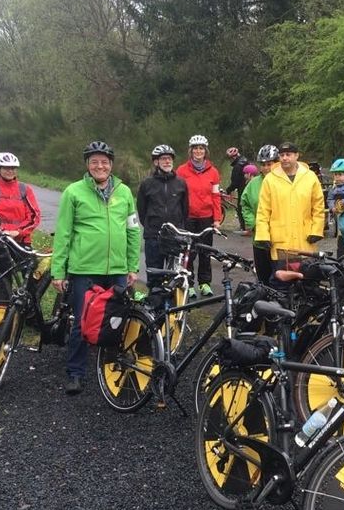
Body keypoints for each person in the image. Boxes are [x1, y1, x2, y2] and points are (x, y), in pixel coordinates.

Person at [51, 141, 140, 395]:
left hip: (118, 269)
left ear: (111, 165)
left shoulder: (124, 193)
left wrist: (132, 265)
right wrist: (59, 270)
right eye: (94, 162)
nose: (99, 166)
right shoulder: (74, 192)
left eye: (104, 162)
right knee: (82, 320)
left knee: (116, 320)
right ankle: (75, 373)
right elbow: (64, 234)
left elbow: (133, 231)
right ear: (87, 165)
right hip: (85, 269)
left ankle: (110, 367)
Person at [254, 141, 325, 271]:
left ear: (296, 156)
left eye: (288, 154)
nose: (285, 158)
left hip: (305, 239)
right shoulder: (270, 179)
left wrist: (317, 230)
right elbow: (263, 211)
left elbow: (318, 207)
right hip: (281, 241)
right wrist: (263, 235)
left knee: (307, 282)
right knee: (283, 283)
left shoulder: (310, 177)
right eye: (282, 155)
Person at [0, 152, 41, 271]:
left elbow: (34, 216)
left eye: (13, 168)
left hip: (21, 240)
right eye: (6, 168)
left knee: (32, 272)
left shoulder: (25, 190)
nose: (10, 171)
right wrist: (0, 232)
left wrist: (18, 232)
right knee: (3, 276)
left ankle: (24, 290)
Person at [136, 144, 188, 291]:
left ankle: (171, 309)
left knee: (174, 276)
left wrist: (179, 230)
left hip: (175, 237)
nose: (167, 162)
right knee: (154, 275)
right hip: (154, 236)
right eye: (163, 159)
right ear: (156, 162)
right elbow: (142, 210)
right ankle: (154, 305)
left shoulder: (181, 183)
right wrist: (152, 226)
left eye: (170, 159)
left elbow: (185, 210)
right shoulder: (147, 184)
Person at [176, 134, 222, 296]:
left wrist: (217, 219)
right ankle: (189, 283)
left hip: (206, 217)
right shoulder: (181, 171)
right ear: (190, 151)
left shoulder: (213, 172)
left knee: (205, 251)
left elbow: (216, 197)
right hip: (188, 217)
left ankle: (205, 283)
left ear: (205, 151)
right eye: (195, 148)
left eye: (201, 148)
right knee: (188, 251)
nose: (198, 151)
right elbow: (177, 195)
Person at [241, 145, 278, 283]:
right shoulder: (253, 184)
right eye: (263, 164)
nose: (266, 168)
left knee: (281, 278)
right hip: (260, 239)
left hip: (281, 239)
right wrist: (253, 223)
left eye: (270, 164)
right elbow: (245, 204)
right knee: (263, 277)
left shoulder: (284, 181)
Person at [225, 146, 248, 232]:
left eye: (230, 159)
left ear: (233, 157)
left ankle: (244, 227)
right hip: (249, 187)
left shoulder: (237, 166)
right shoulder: (245, 161)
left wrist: (228, 190)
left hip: (242, 188)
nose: (230, 161)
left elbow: (235, 182)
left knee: (240, 207)